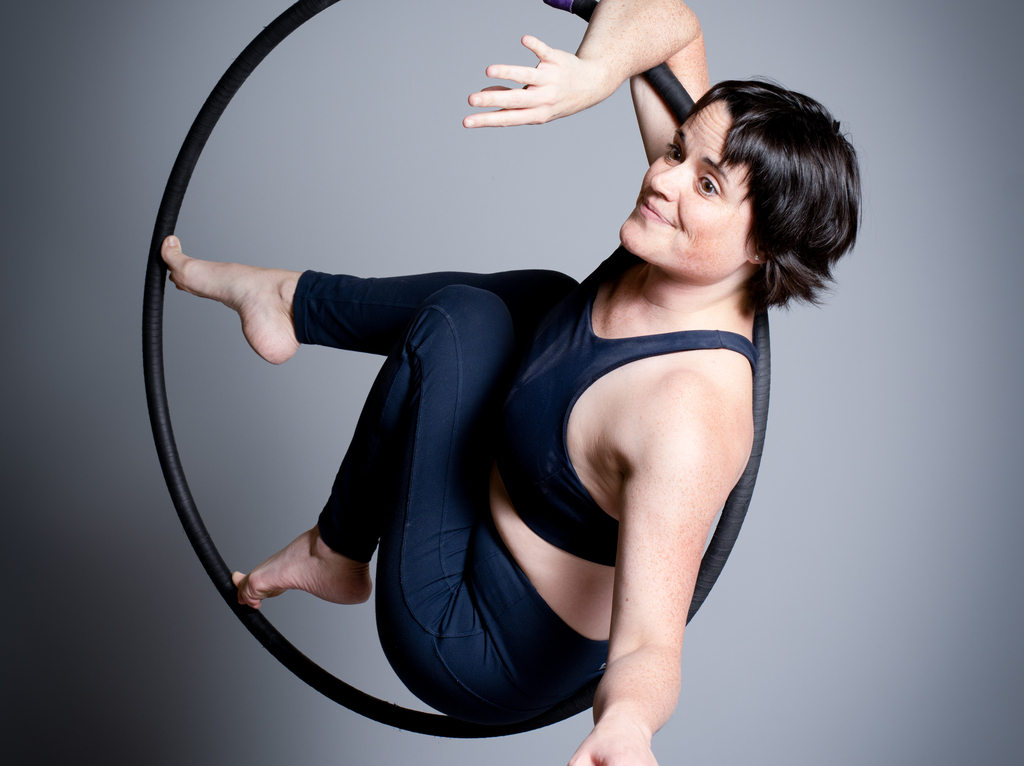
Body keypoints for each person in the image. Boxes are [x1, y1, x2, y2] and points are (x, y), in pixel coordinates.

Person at [160, 1, 860, 763]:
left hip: (472, 640)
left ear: (763, 249)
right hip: (507, 509)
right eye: (675, 151)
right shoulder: (687, 239)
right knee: (544, 301)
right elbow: (669, 18)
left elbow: (650, 646)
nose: (663, 179)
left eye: (709, 185)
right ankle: (286, 301)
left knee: (461, 323)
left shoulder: (686, 413)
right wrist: (599, 68)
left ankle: (337, 548)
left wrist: (626, 725)